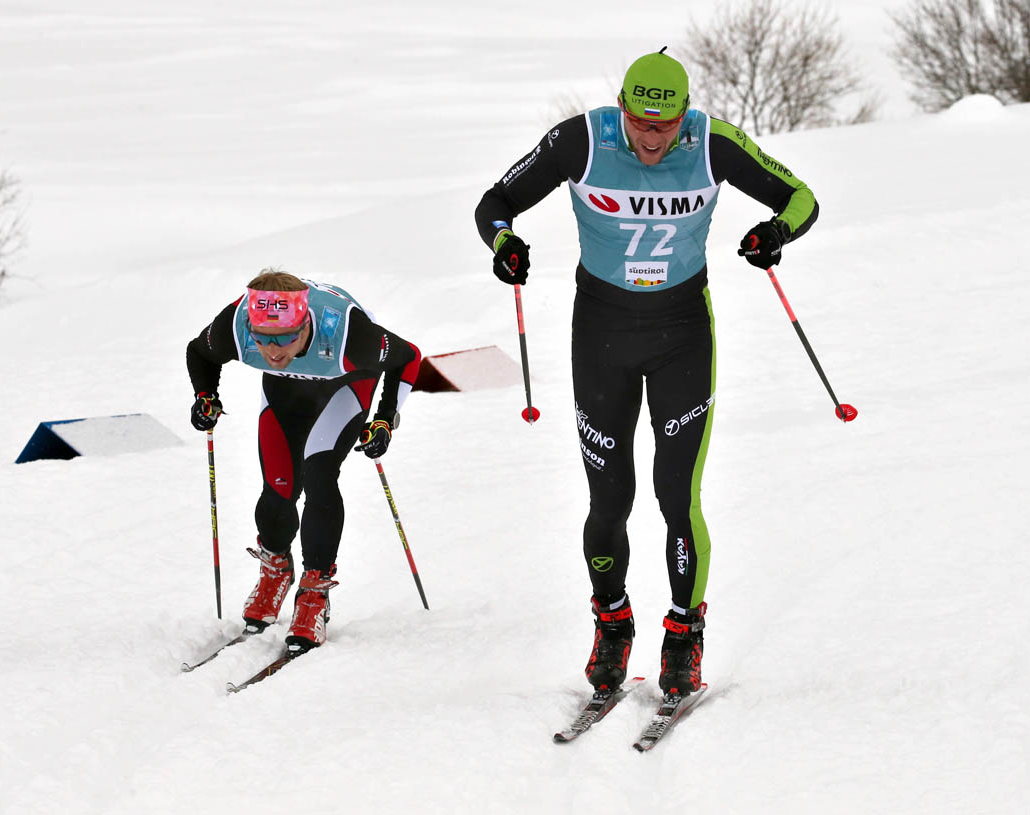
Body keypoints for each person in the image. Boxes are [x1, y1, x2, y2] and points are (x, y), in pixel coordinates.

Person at [474, 48, 818, 697]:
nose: (653, 137)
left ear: (683, 113)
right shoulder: (580, 139)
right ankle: (611, 621)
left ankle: (684, 632)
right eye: (641, 123)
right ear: (624, 108)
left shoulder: (714, 142)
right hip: (600, 335)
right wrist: (504, 244)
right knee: (608, 501)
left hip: (682, 335)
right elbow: (495, 201)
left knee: (675, 496)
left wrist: (774, 232)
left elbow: (800, 197)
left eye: (665, 125)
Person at [186, 269, 421, 653]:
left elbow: (408, 358)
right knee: (278, 488)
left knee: (319, 473)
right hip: (287, 391)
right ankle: (276, 568)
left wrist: (385, 419)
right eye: (263, 340)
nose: (273, 352)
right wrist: (205, 397)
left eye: (285, 339)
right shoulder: (237, 323)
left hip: (347, 381)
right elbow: (199, 353)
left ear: (305, 323)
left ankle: (314, 591)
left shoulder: (351, 335)